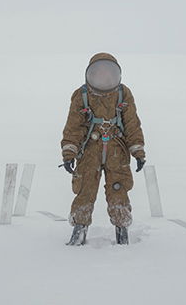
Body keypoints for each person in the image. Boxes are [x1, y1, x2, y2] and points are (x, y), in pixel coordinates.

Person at [60, 52, 146, 245]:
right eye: (99, 73)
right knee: (85, 190)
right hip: (89, 151)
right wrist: (69, 152)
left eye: (108, 74)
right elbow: (73, 127)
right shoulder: (81, 96)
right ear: (91, 74)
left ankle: (121, 232)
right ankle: (79, 231)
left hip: (118, 151)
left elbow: (132, 125)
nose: (104, 78)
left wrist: (138, 151)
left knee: (119, 189)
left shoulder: (123, 94)